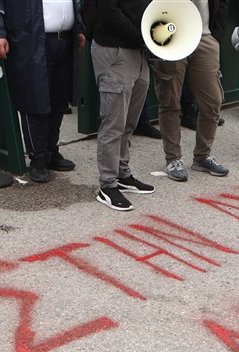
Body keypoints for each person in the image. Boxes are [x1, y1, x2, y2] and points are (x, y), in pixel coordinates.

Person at [0, 0, 86, 183]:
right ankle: (37, 157)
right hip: (31, 40)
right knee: (34, 98)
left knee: (60, 100)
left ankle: (50, 151)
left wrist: (78, 27)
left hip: (65, 39)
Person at [90, 0, 156, 212]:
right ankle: (107, 185)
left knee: (129, 121)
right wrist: (143, 37)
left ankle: (122, 174)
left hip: (138, 52)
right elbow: (109, 12)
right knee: (114, 122)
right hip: (114, 49)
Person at [153, 0, 230, 182]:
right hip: (172, 36)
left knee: (213, 101)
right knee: (170, 101)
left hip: (204, 38)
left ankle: (202, 156)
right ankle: (173, 159)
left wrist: (215, 35)